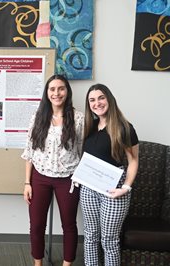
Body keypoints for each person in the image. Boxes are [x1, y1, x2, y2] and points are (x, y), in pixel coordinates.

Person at [21, 74, 84, 266]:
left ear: (67, 91)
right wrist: (27, 183)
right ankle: (37, 262)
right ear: (47, 93)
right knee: (37, 224)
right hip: (40, 177)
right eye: (52, 89)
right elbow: (29, 152)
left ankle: (67, 263)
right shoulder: (38, 117)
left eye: (61, 88)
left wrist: (79, 177)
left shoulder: (79, 118)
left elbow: (82, 152)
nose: (56, 93)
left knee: (69, 225)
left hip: (69, 179)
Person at [81, 84, 139, 266]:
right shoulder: (89, 127)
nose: (97, 103)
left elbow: (134, 161)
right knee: (90, 236)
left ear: (110, 100)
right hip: (88, 188)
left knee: (109, 240)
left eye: (101, 98)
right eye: (92, 100)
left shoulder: (124, 127)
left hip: (114, 189)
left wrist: (126, 188)